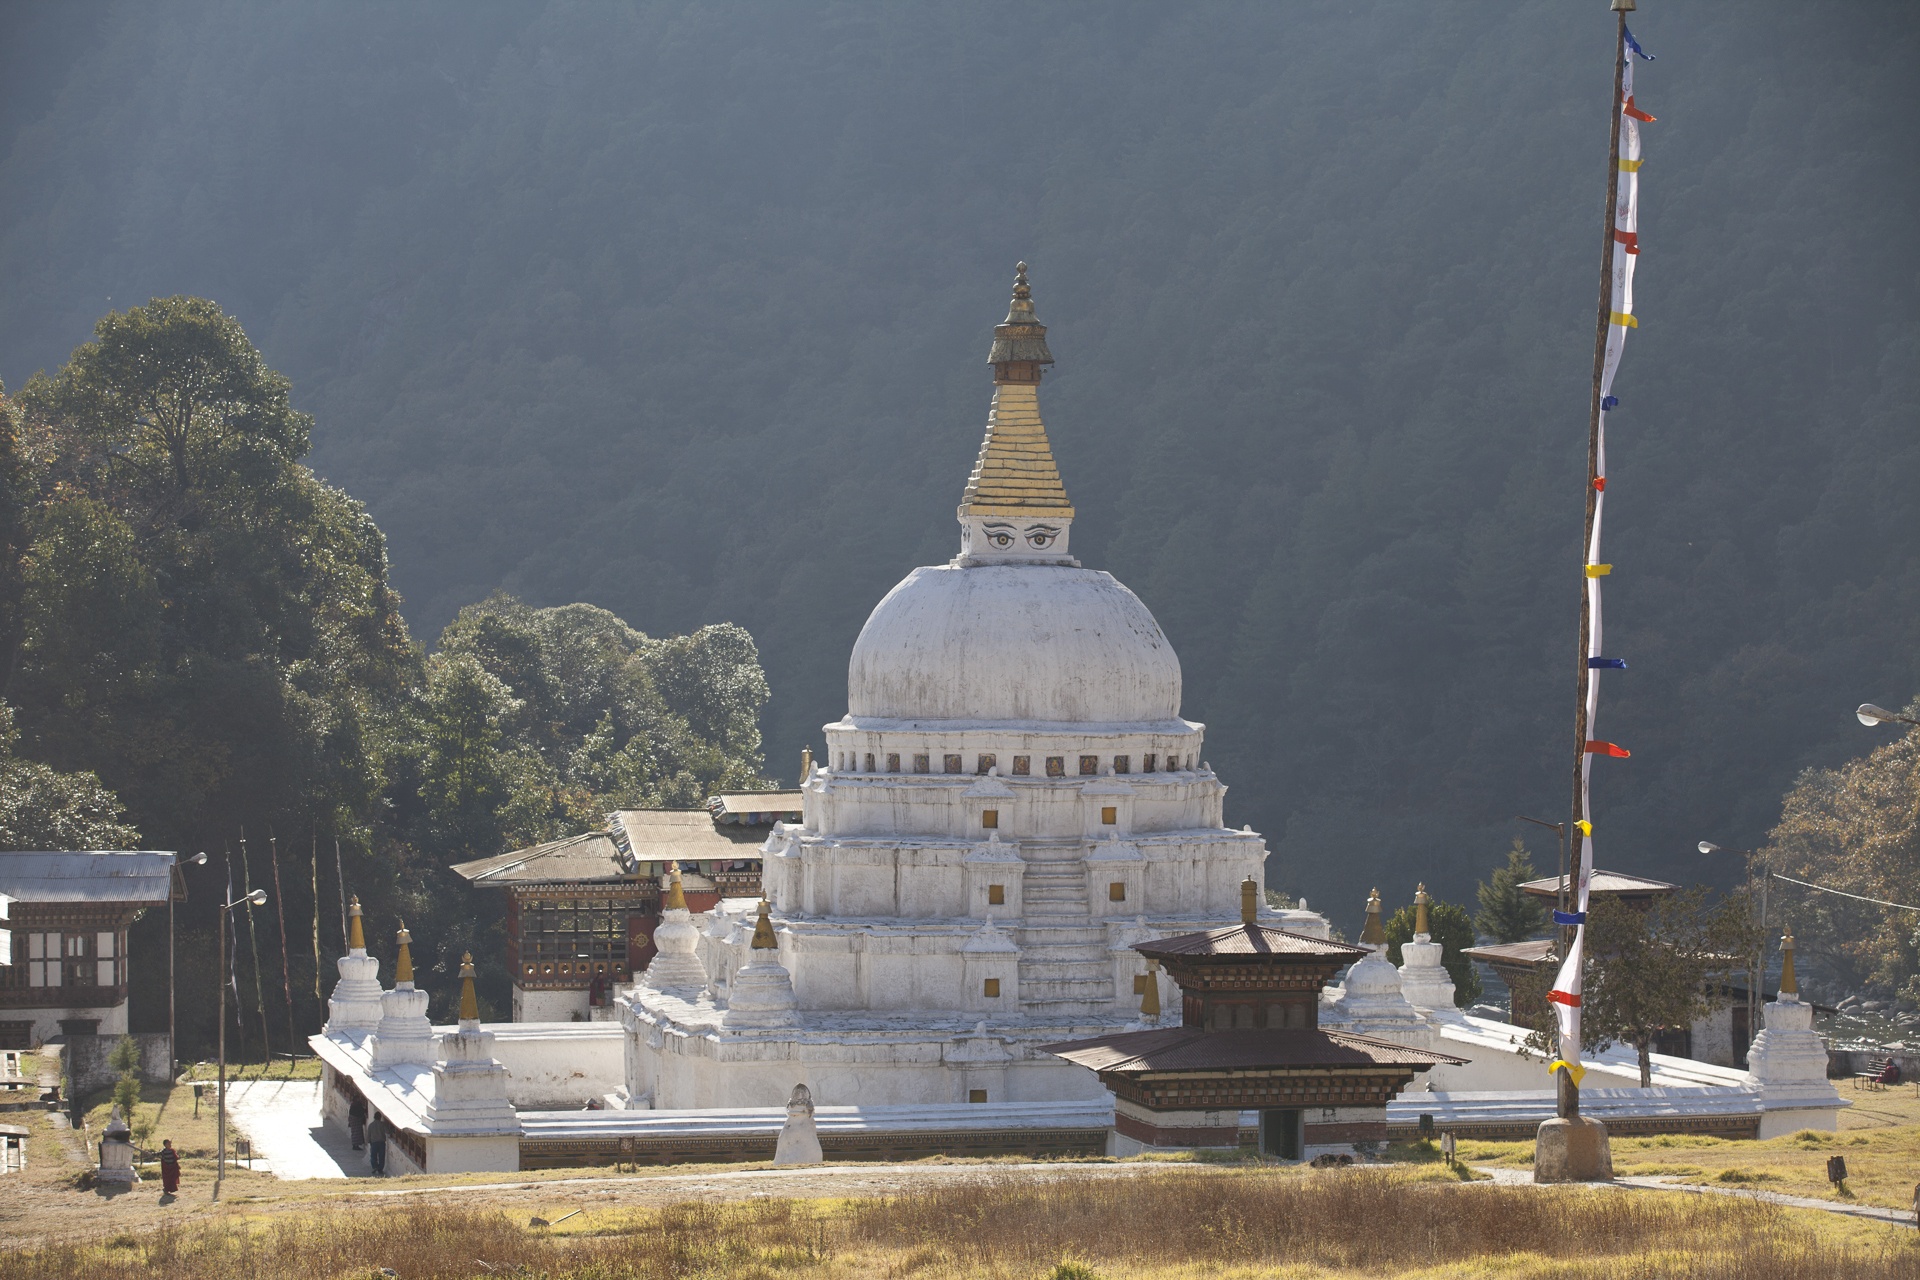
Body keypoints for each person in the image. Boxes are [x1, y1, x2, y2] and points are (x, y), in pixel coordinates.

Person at [366, 1109, 388, 1176]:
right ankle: (380, 1169)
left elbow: (368, 1134)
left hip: (374, 1143)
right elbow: (387, 1131)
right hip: (381, 1142)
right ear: (380, 1117)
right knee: (381, 1156)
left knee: (373, 1155)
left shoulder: (371, 1125)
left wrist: (368, 1141)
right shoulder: (382, 1124)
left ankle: (374, 1166)